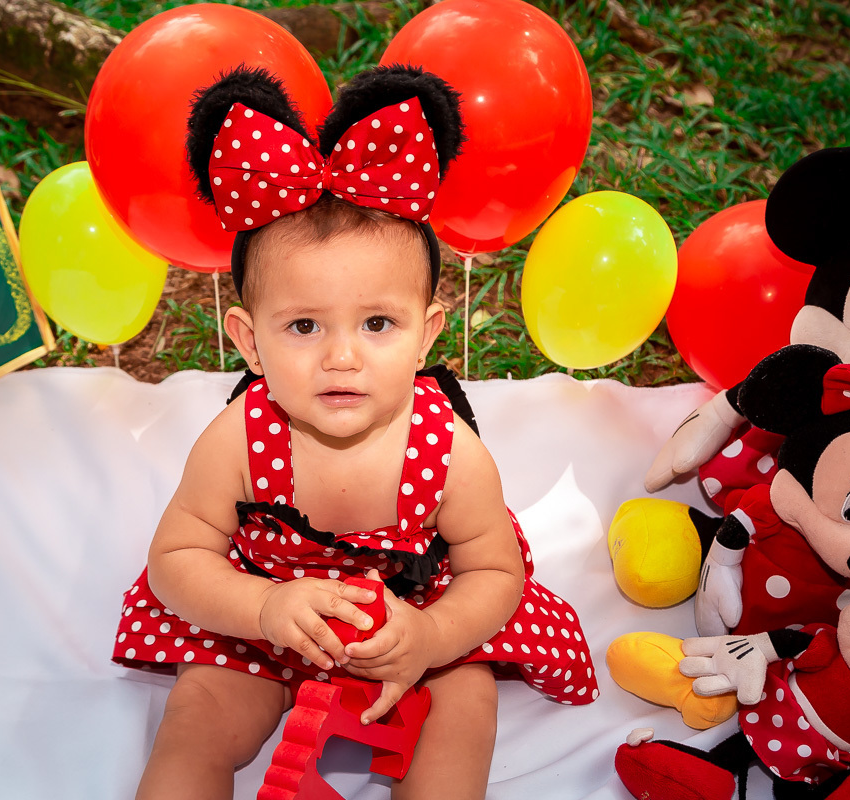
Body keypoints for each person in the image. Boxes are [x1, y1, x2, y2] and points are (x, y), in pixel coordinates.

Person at [112, 64, 597, 800]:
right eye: (304, 326)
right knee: (196, 717)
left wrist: (431, 638)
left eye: (378, 324)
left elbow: (496, 575)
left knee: (465, 701)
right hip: (265, 619)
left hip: (414, 620)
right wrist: (263, 609)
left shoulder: (450, 455)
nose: (342, 356)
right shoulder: (238, 439)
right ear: (248, 342)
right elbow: (179, 556)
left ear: (427, 333)